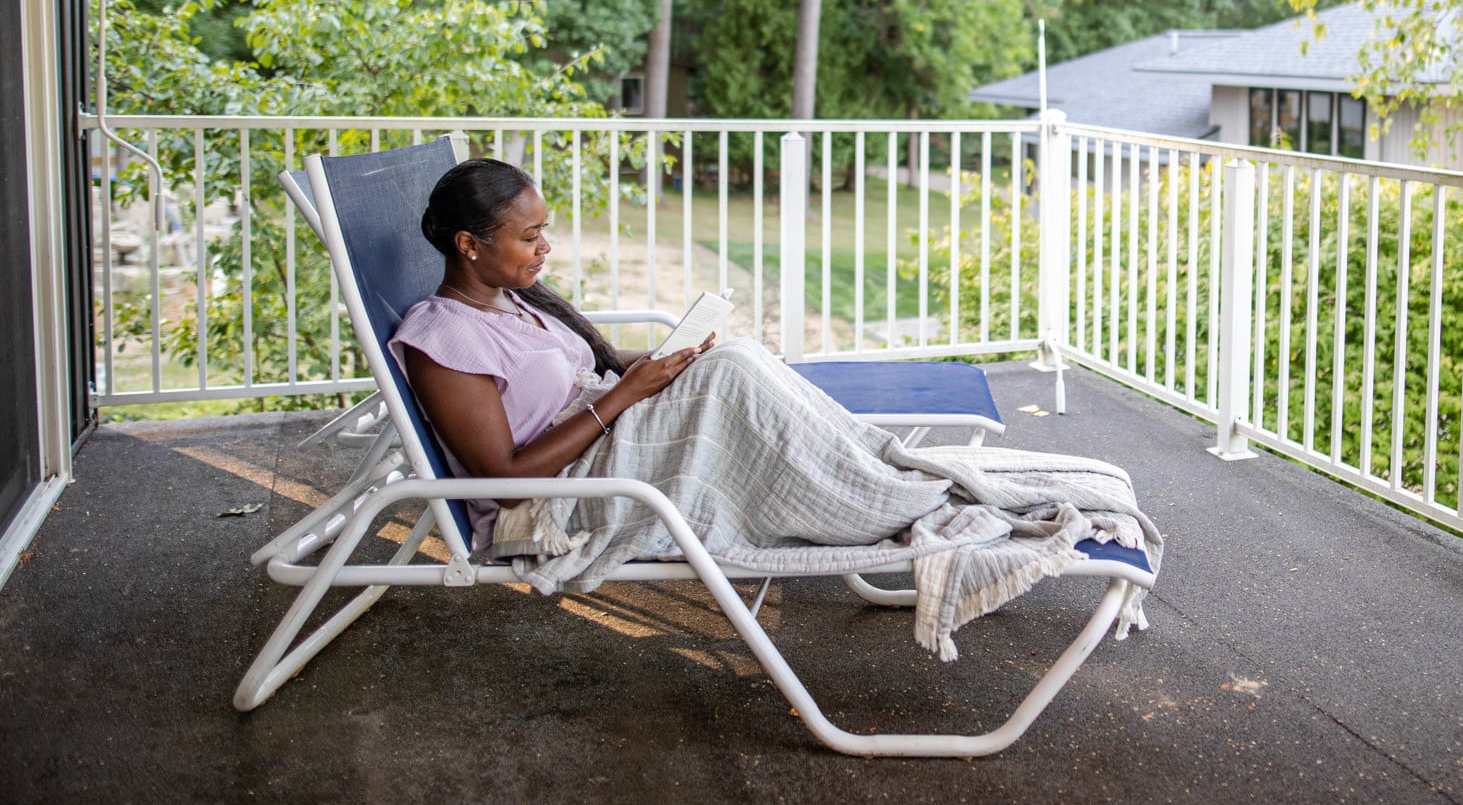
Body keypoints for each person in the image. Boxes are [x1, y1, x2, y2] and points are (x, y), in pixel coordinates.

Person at [388, 158, 1157, 657]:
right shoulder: (442, 337)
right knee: (732, 378)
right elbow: (503, 475)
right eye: (530, 236)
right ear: (469, 245)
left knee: (734, 361)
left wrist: (659, 363)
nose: (545, 247)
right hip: (560, 497)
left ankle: (892, 475)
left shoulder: (512, 300)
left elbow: (587, 371)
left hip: (606, 434)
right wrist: (630, 393)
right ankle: (892, 495)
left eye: (544, 231)